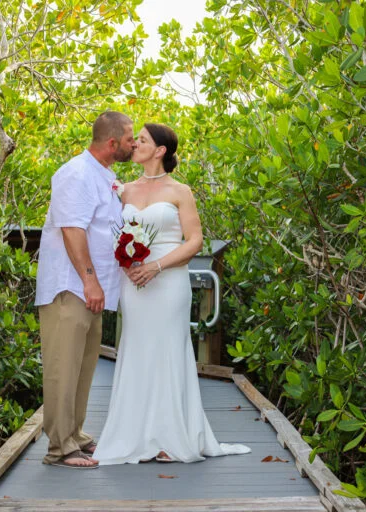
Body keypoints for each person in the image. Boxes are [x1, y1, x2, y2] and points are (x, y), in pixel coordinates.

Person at [94, 123, 250, 464]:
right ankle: (134, 434)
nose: (134, 144)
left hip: (168, 281)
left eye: (143, 141)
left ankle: (170, 437)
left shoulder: (181, 191)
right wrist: (127, 264)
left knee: (168, 350)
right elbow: (113, 233)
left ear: (161, 150)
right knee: (136, 349)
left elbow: (194, 240)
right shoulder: (124, 190)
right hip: (134, 281)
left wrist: (157, 266)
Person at [35, 111, 136, 469]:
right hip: (71, 287)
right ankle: (59, 448)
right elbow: (72, 230)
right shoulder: (76, 173)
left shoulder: (105, 176)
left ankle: (75, 434)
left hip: (94, 290)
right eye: (129, 139)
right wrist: (90, 280)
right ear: (112, 143)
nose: (134, 144)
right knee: (63, 366)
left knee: (84, 365)